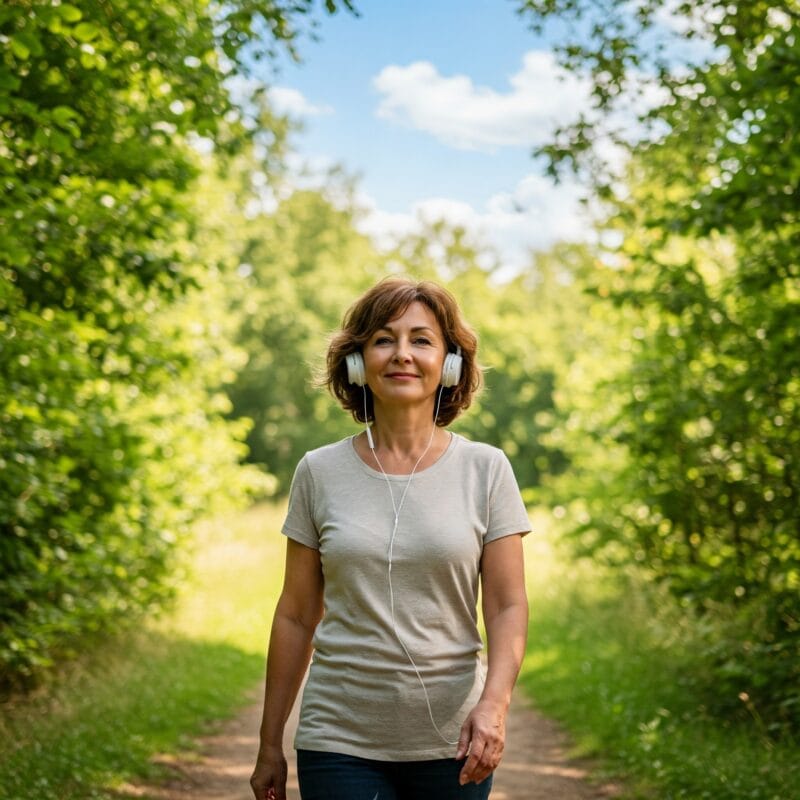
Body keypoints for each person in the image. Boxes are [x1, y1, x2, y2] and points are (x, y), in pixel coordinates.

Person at [250, 277, 531, 800]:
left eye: (421, 340)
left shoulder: (486, 470)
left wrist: (493, 706)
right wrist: (270, 743)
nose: (402, 354)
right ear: (358, 361)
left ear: (449, 363)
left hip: (454, 740)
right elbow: (295, 613)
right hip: (337, 738)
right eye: (383, 339)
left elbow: (508, 605)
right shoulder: (318, 472)